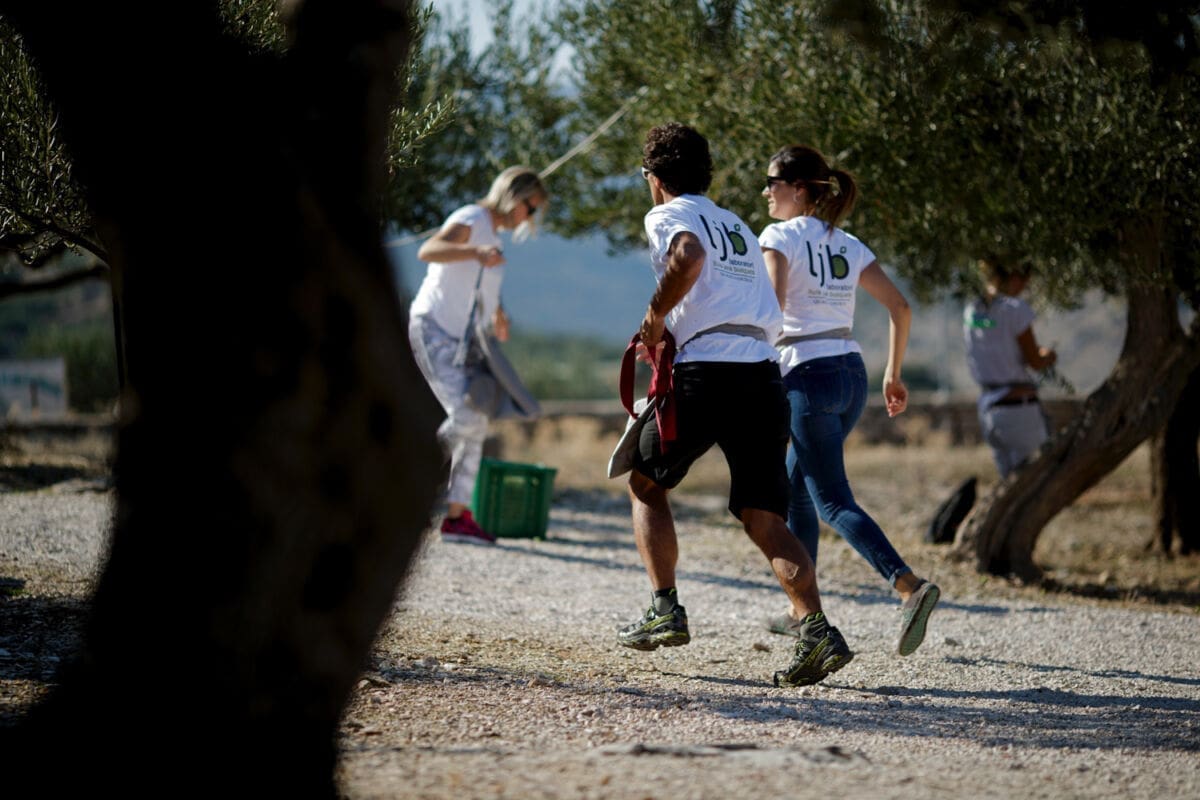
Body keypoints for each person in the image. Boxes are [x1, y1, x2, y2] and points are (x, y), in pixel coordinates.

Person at [617, 122, 853, 688]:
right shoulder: (738, 225)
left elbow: (688, 256)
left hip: (706, 372)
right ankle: (817, 630)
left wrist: (655, 318)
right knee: (764, 516)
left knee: (645, 482)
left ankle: (665, 608)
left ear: (655, 179)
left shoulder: (668, 215)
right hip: (763, 374)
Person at [757, 144, 940, 657]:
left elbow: (771, 310)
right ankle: (800, 611)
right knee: (796, 490)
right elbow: (900, 307)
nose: (766, 192)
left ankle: (908, 586)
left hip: (805, 373)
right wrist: (893, 373)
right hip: (851, 374)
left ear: (798, 190)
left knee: (832, 500)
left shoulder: (778, 236)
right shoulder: (849, 244)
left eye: (772, 183)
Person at [409, 166, 548, 545]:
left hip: (463, 341)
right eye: (530, 207)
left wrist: (498, 314)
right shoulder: (472, 218)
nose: (529, 217)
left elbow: (481, 285)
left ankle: (457, 516)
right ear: (514, 196)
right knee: (467, 416)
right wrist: (474, 250)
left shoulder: (493, 236)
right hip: (433, 328)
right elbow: (429, 250)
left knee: (477, 419)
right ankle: (405, 478)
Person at [964, 257, 1057, 478]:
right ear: (1014, 277)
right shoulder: (1014, 309)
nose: (1024, 288)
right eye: (1024, 281)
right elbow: (1035, 361)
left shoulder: (972, 312)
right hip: (1018, 409)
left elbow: (994, 336)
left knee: (1010, 483)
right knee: (1037, 481)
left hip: (989, 411)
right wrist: (1048, 356)